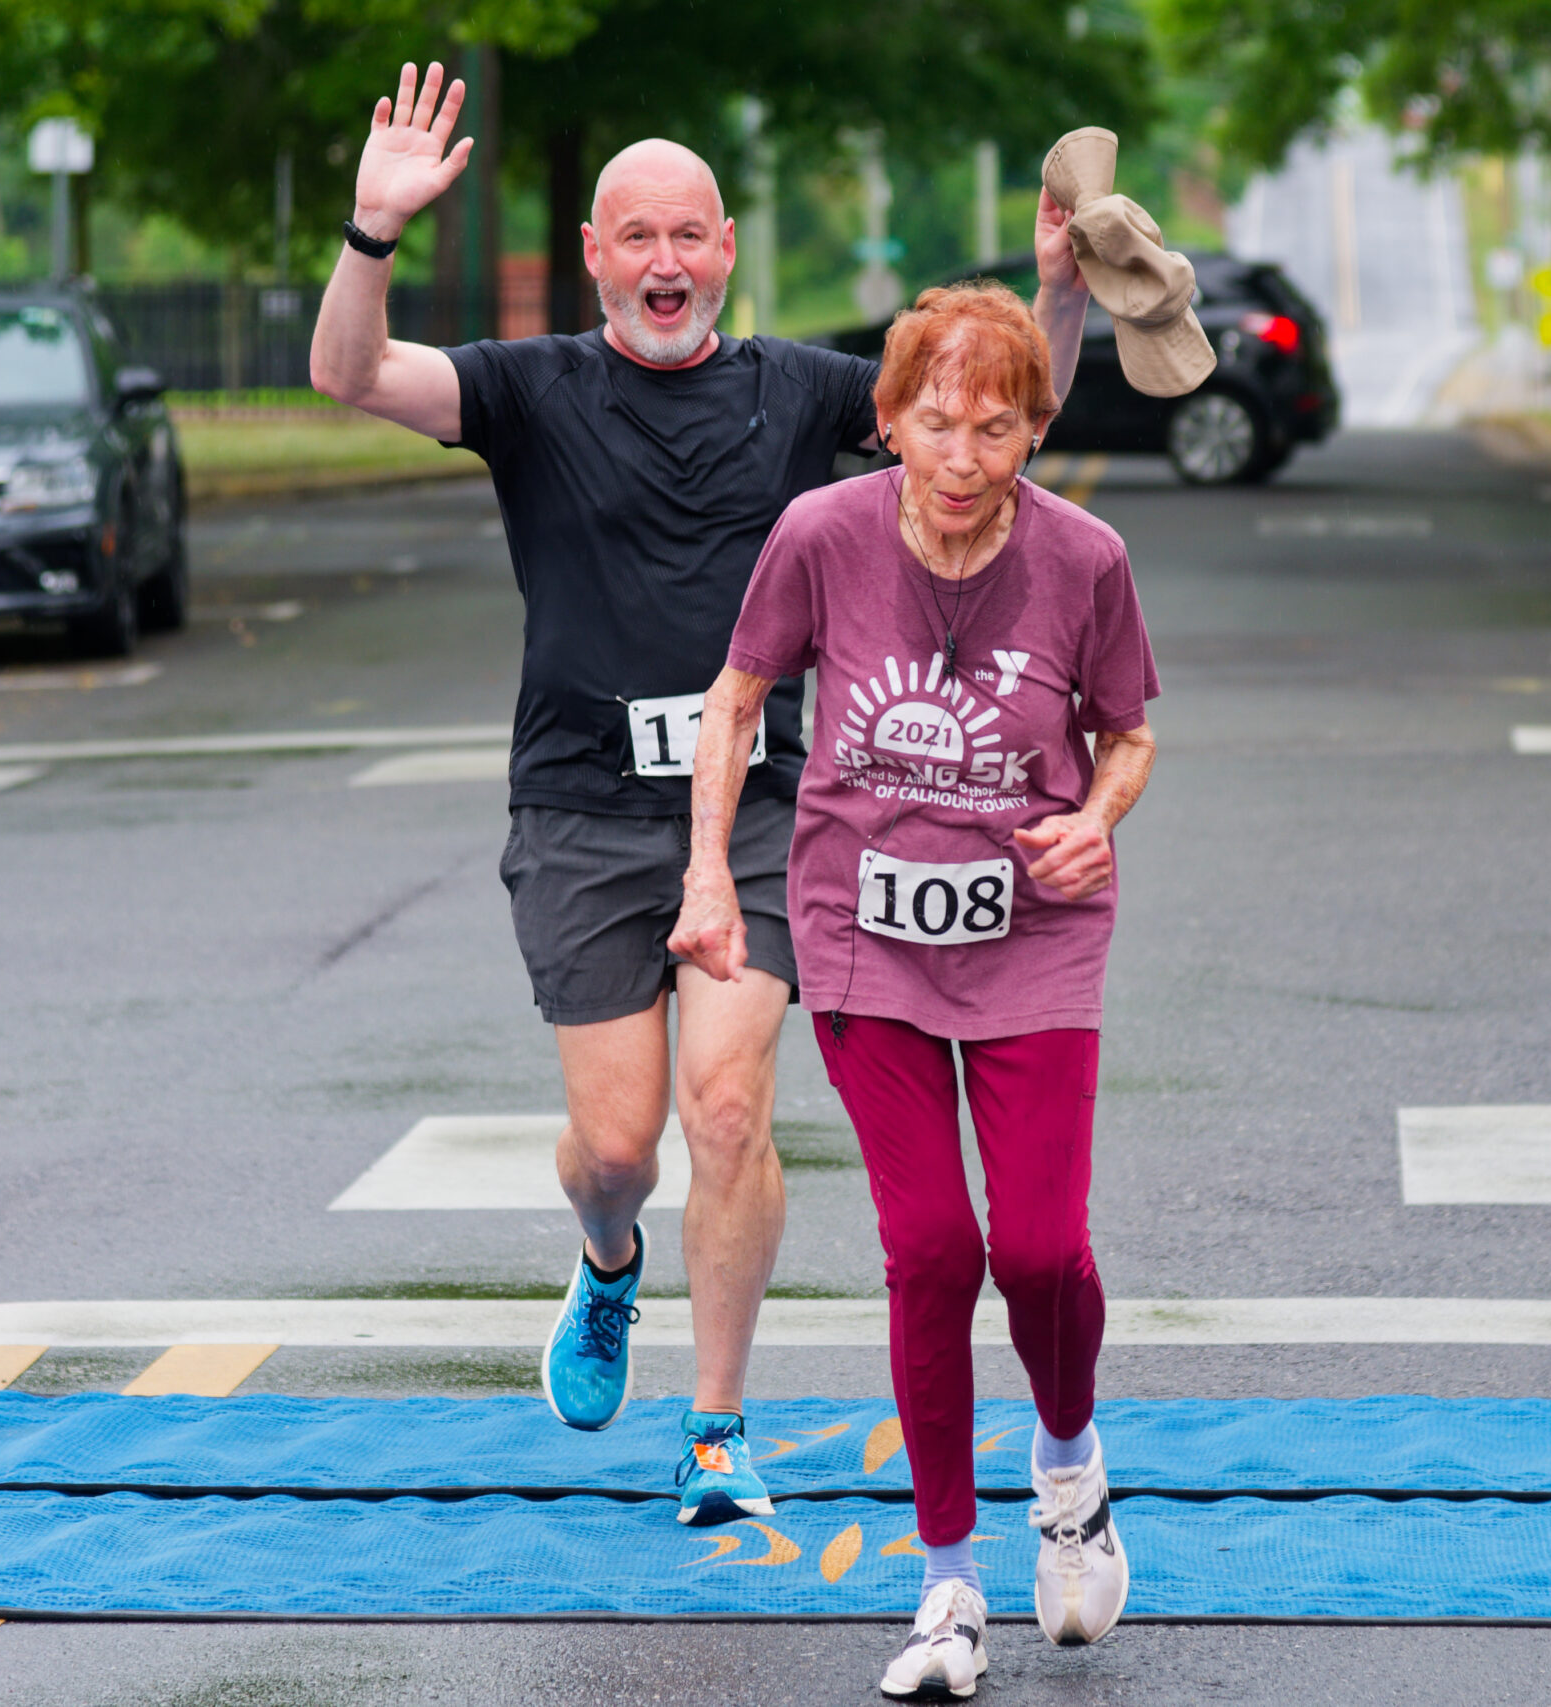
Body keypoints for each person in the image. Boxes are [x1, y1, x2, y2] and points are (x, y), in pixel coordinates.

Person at [308, 63, 1093, 1528]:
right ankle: (607, 1264)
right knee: (617, 1147)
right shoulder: (528, 392)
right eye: (635, 239)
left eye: (689, 236)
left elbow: (988, 417)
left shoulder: (798, 391)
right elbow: (350, 376)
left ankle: (720, 1421)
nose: (664, 263)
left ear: (727, 248)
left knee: (727, 1109)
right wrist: (372, 234)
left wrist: (1061, 290)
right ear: (598, 255)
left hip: (773, 802)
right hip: (582, 809)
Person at [672, 280, 1158, 1694]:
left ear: (1033, 434)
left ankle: (1068, 1466)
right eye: (935, 424)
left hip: (1034, 931)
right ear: (886, 424)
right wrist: (711, 874)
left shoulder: (1087, 560)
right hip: (862, 934)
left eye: (995, 430)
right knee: (934, 1250)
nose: (961, 460)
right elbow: (738, 697)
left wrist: (1100, 811)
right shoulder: (820, 537)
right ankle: (948, 1589)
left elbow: (1125, 733)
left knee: (1044, 1254)